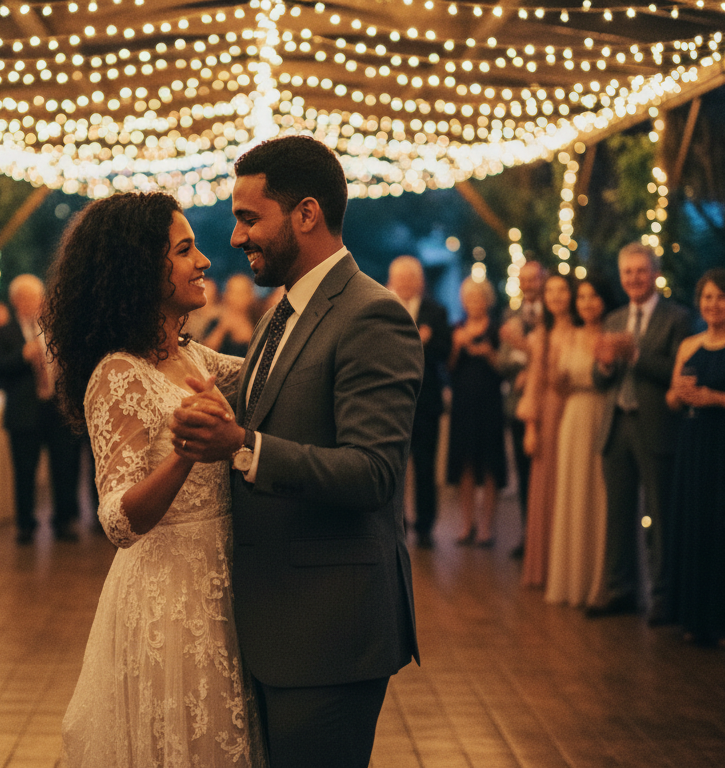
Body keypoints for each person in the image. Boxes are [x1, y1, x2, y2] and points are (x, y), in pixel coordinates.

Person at [171, 134, 423, 767]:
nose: (234, 238)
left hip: (329, 632)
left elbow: (372, 473)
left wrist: (244, 447)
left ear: (306, 214)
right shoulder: (282, 313)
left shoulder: (372, 316)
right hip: (276, 626)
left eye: (249, 218)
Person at [49, 191, 264, 765]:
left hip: (222, 579)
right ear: (143, 267)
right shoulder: (118, 374)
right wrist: (187, 454)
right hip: (169, 597)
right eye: (185, 250)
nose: (205, 263)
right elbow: (118, 520)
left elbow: (274, 374)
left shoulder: (194, 357)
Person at [590, 243, 692, 622]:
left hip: (656, 425)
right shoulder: (614, 318)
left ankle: (662, 595)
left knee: (659, 515)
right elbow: (600, 380)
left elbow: (679, 373)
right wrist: (602, 365)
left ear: (655, 274)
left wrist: (636, 356)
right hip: (616, 425)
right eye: (628, 272)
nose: (634, 278)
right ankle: (619, 589)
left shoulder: (676, 318)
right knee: (617, 514)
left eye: (641, 271)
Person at [666, 269, 725, 646]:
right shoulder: (688, 345)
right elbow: (672, 400)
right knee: (693, 524)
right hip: (692, 440)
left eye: (721, 298)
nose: (713, 304)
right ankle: (693, 615)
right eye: (707, 297)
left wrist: (713, 398)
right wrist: (679, 393)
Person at [0, 274, 84, 544]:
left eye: (38, 297)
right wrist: (22, 355)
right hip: (25, 410)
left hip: (58, 409)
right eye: (27, 298)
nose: (35, 303)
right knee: (25, 469)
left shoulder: (57, 329)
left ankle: (64, 520)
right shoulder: (3, 332)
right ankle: (25, 524)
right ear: (15, 301)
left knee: (65, 466)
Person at [544, 277, 614, 608]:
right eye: (582, 297)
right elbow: (558, 386)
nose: (586, 303)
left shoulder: (613, 334)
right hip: (573, 416)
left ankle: (601, 583)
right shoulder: (568, 336)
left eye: (593, 296)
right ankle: (573, 581)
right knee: (573, 495)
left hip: (603, 413)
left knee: (601, 495)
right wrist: (554, 377)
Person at [387, 255, 450, 549]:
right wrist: (416, 337)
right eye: (399, 278)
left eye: (410, 278)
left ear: (420, 281)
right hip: (391, 403)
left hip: (426, 402)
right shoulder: (383, 309)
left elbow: (444, 351)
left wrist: (427, 340)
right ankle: (394, 524)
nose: (405, 283)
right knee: (393, 468)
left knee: (426, 469)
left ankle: (426, 526)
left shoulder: (436, 312)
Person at [517, 272, 576, 588]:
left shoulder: (582, 331)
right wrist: (531, 427)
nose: (555, 297)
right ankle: (546, 569)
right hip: (550, 414)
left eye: (561, 291)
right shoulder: (541, 335)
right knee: (547, 487)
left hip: (577, 412)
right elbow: (535, 383)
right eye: (550, 292)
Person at [446, 276, 506, 547]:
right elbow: (447, 368)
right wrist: (458, 346)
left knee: (490, 465)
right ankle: (466, 524)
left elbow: (504, 369)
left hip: (490, 405)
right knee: (465, 464)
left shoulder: (497, 330)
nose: (474, 304)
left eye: (479, 299)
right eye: (470, 299)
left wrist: (488, 353)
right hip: (463, 405)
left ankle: (486, 528)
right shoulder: (456, 329)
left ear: (487, 301)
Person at [498, 260, 547, 558]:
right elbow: (502, 362)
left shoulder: (553, 314)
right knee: (524, 473)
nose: (529, 284)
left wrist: (530, 366)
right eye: (524, 279)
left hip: (546, 403)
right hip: (517, 405)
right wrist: (517, 365)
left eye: (535, 279)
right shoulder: (510, 315)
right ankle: (529, 535)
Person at [203, 273, 258, 357]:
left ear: (251, 296)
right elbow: (204, 353)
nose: (235, 297)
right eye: (231, 291)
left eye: (241, 293)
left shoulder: (258, 321)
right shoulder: (215, 323)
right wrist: (222, 328)